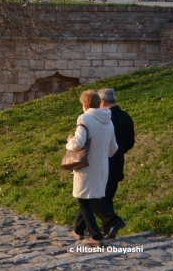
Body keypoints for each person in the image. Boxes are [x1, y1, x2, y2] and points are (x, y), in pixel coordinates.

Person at [66, 90, 120, 247]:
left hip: (87, 166)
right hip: (102, 165)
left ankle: (96, 236)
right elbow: (113, 147)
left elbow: (78, 143)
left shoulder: (85, 118)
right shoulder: (108, 120)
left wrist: (69, 141)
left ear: (84, 104)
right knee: (89, 198)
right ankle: (78, 230)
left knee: (83, 199)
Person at [97, 88, 135, 238]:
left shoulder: (105, 118)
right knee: (107, 198)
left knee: (95, 198)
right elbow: (130, 142)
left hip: (102, 162)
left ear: (102, 102)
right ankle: (107, 230)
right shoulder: (126, 117)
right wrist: (119, 151)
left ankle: (113, 222)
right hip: (118, 161)